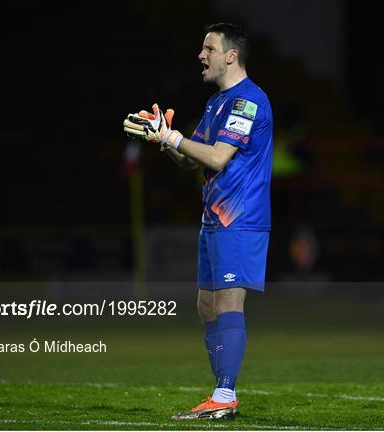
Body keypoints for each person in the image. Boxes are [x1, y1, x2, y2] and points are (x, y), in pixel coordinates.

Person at [123, 22, 273, 420]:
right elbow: (192, 157)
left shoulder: (246, 102)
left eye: (209, 48)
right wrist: (163, 137)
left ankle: (225, 395)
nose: (201, 55)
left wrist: (172, 140)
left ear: (231, 55)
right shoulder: (216, 104)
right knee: (206, 304)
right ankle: (221, 395)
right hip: (214, 219)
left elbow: (217, 158)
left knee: (226, 301)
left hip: (241, 219)